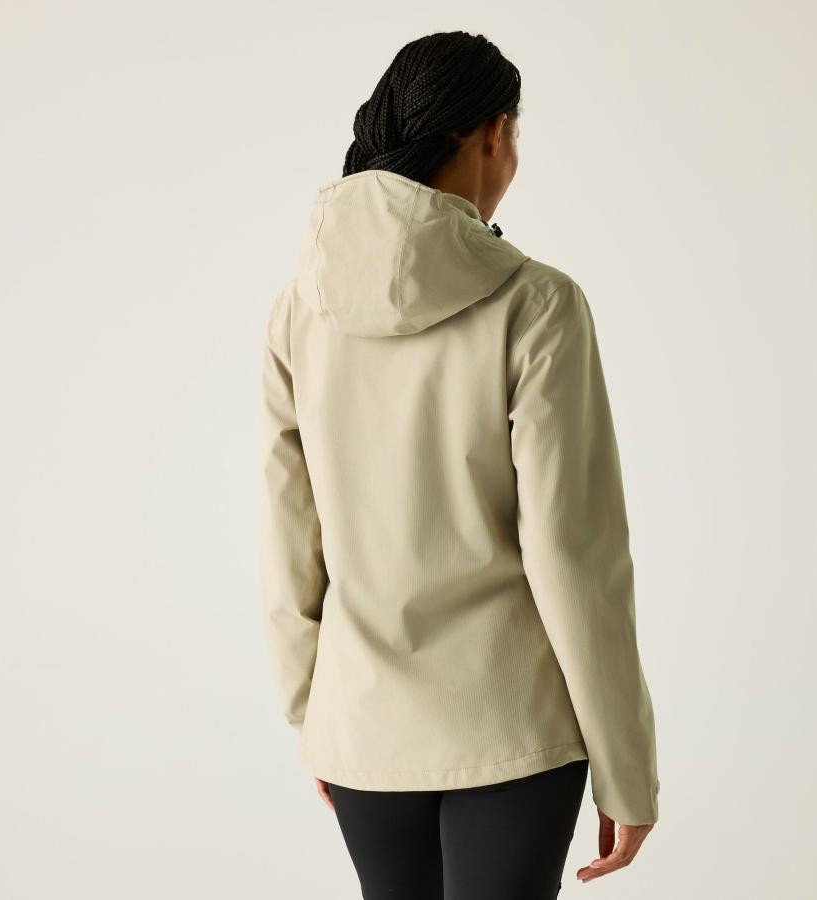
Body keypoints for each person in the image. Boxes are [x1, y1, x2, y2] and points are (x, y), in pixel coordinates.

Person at [258, 30, 660, 899]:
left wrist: (313, 715)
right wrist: (626, 767)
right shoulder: (538, 305)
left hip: (362, 726)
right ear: (493, 133)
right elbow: (573, 554)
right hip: (513, 733)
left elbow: (290, 532)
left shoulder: (300, 308)